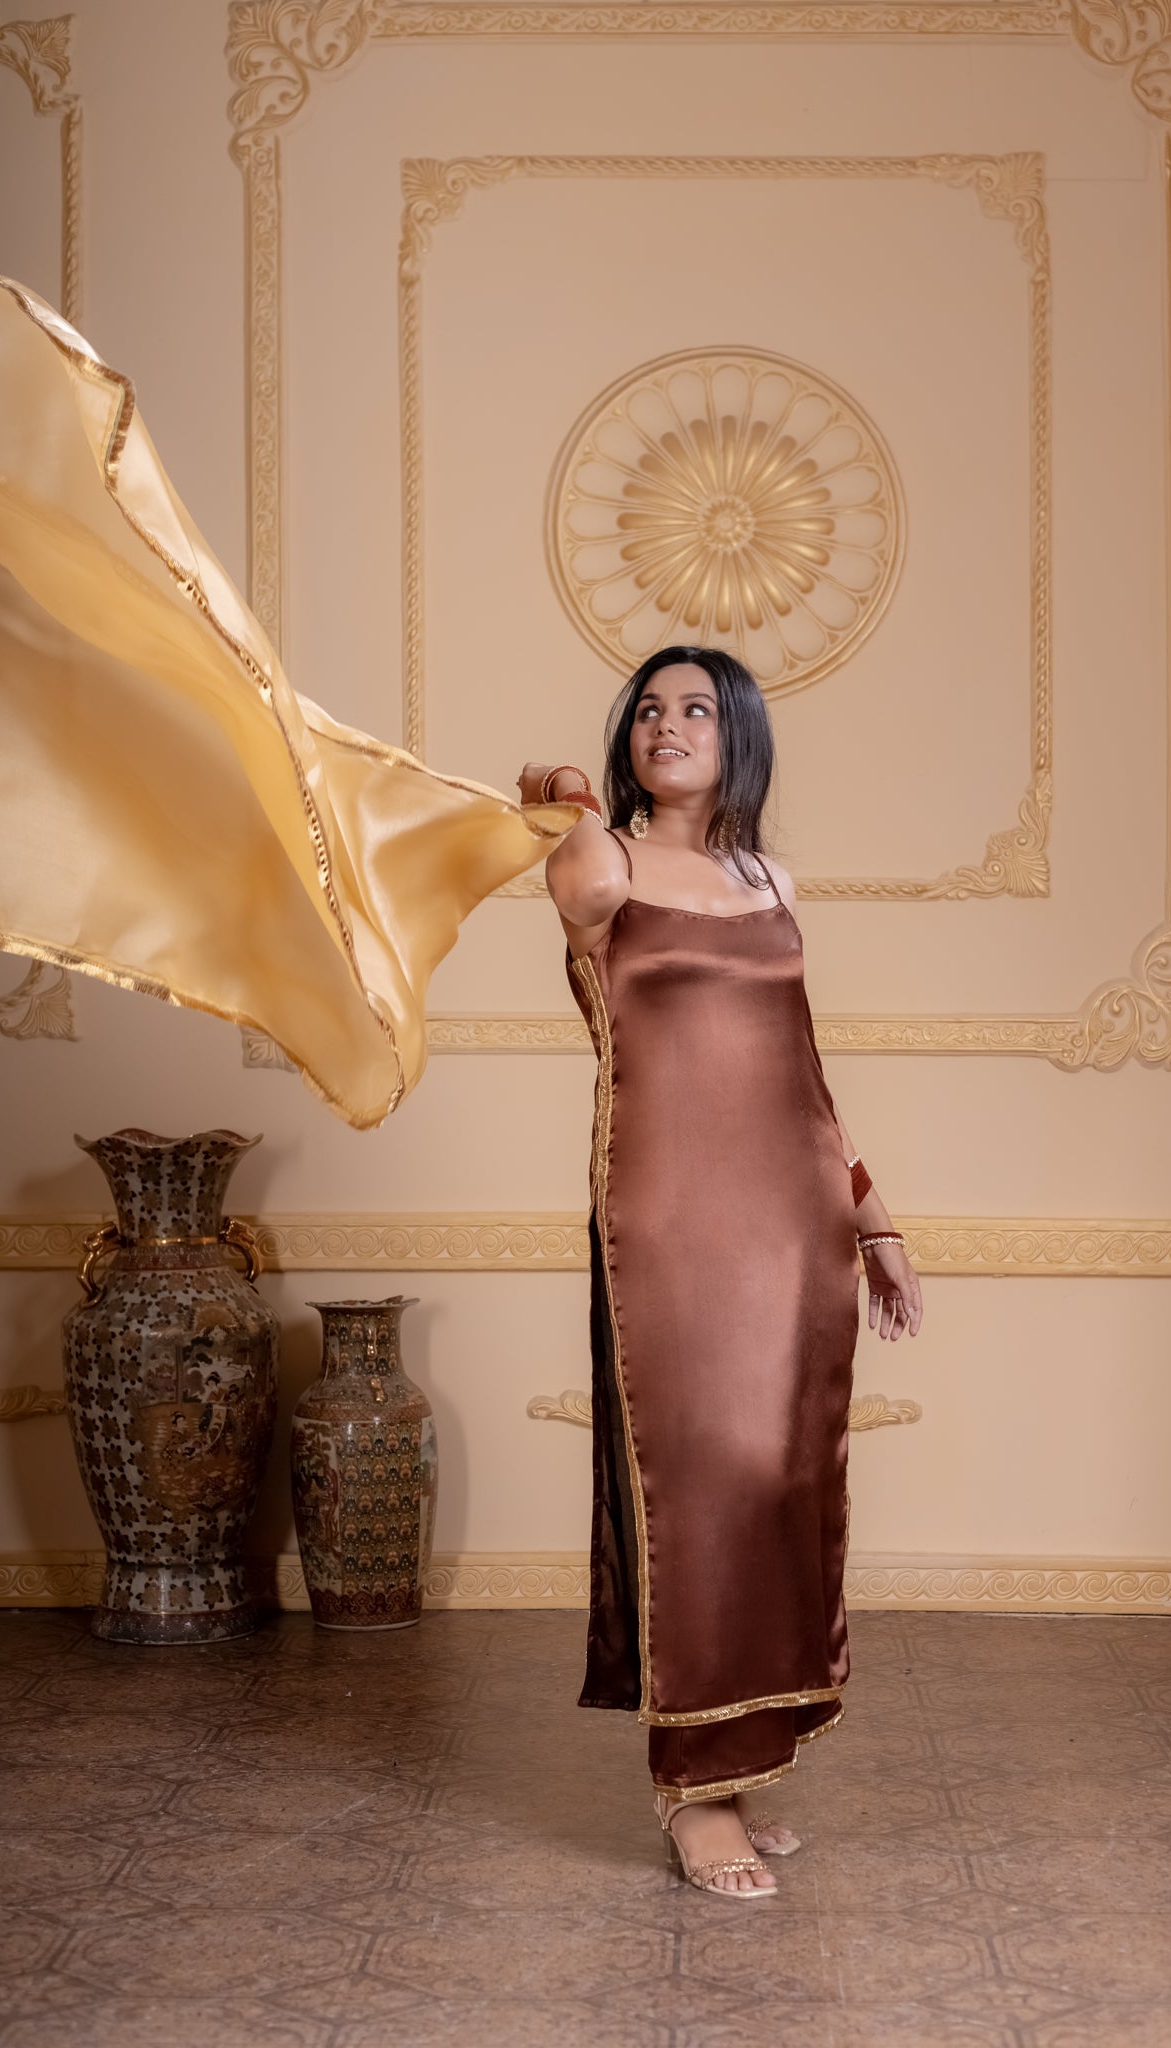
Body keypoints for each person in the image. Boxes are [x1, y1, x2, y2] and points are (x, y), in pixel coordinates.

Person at [518, 646, 923, 1901]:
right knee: (696, 1484)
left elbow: (804, 1077)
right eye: (649, 709)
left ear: (738, 732)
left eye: (696, 708)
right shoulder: (603, 865)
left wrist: (873, 1221)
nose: (669, 724)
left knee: (775, 1480)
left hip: (790, 1227)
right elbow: (579, 867)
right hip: (670, 1221)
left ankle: (736, 1768)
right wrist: (568, 793)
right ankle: (691, 1793)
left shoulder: (768, 881)